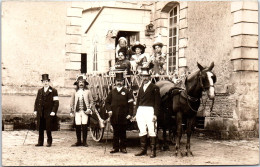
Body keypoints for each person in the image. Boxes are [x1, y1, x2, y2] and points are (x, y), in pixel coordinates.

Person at [134, 68, 161, 158]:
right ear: (141, 77)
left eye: (146, 76)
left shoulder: (154, 87)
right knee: (142, 129)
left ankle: (153, 151)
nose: (144, 78)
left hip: (150, 110)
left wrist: (155, 114)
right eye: (143, 76)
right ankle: (143, 150)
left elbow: (157, 103)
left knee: (151, 130)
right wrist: (136, 113)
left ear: (149, 77)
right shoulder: (141, 88)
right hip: (140, 111)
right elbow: (137, 101)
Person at [105, 72, 134, 154]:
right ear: (115, 81)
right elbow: (107, 102)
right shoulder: (112, 92)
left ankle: (123, 147)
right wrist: (109, 110)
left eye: (120, 81)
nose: (119, 82)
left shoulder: (127, 92)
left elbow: (131, 104)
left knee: (123, 132)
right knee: (115, 132)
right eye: (117, 81)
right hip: (114, 115)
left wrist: (130, 114)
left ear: (123, 81)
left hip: (123, 116)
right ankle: (115, 148)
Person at [34, 74, 59, 147]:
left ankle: (49, 141)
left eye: (47, 81)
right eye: (44, 81)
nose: (45, 83)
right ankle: (40, 142)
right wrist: (35, 110)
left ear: (49, 82)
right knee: (40, 127)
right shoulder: (40, 91)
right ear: (42, 82)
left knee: (48, 128)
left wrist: (53, 111)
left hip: (49, 112)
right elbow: (37, 101)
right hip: (40, 112)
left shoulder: (53, 91)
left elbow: (56, 102)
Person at [70, 75, 94, 147]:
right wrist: (71, 110)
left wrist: (89, 109)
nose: (81, 84)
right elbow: (72, 102)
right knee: (77, 125)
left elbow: (91, 101)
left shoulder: (88, 91)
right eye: (80, 82)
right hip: (77, 111)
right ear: (77, 83)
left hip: (85, 111)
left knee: (84, 126)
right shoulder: (74, 91)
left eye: (82, 82)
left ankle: (84, 142)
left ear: (84, 83)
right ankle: (78, 141)